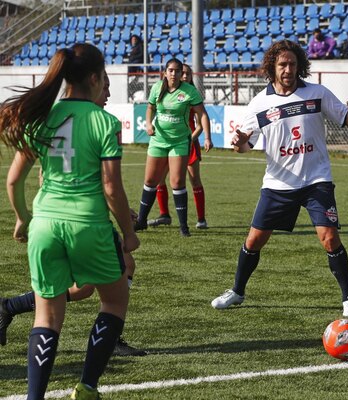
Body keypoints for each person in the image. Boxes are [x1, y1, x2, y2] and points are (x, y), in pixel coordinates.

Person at [0, 43, 140, 399]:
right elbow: (111, 188)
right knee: (114, 300)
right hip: (87, 225)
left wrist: (22, 218)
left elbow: (14, 181)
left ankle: (34, 397)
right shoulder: (104, 121)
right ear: (94, 78)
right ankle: (88, 385)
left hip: (44, 224)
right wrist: (128, 233)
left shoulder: (41, 117)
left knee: (46, 318)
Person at [210, 40, 348, 317]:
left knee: (329, 238)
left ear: (300, 66)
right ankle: (237, 291)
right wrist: (239, 143)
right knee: (254, 241)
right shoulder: (260, 103)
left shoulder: (317, 93)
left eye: (292, 64)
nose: (288, 69)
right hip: (278, 183)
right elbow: (245, 145)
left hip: (316, 179)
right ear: (272, 67)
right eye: (282, 64)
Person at [134, 58, 208, 237]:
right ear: (165, 72)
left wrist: (207, 136)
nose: (174, 74)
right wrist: (149, 124)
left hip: (179, 142)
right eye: (171, 70)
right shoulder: (157, 87)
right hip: (158, 140)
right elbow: (150, 108)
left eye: (177, 71)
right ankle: (141, 221)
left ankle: (184, 226)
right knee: (151, 181)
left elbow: (202, 114)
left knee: (177, 182)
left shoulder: (189, 91)